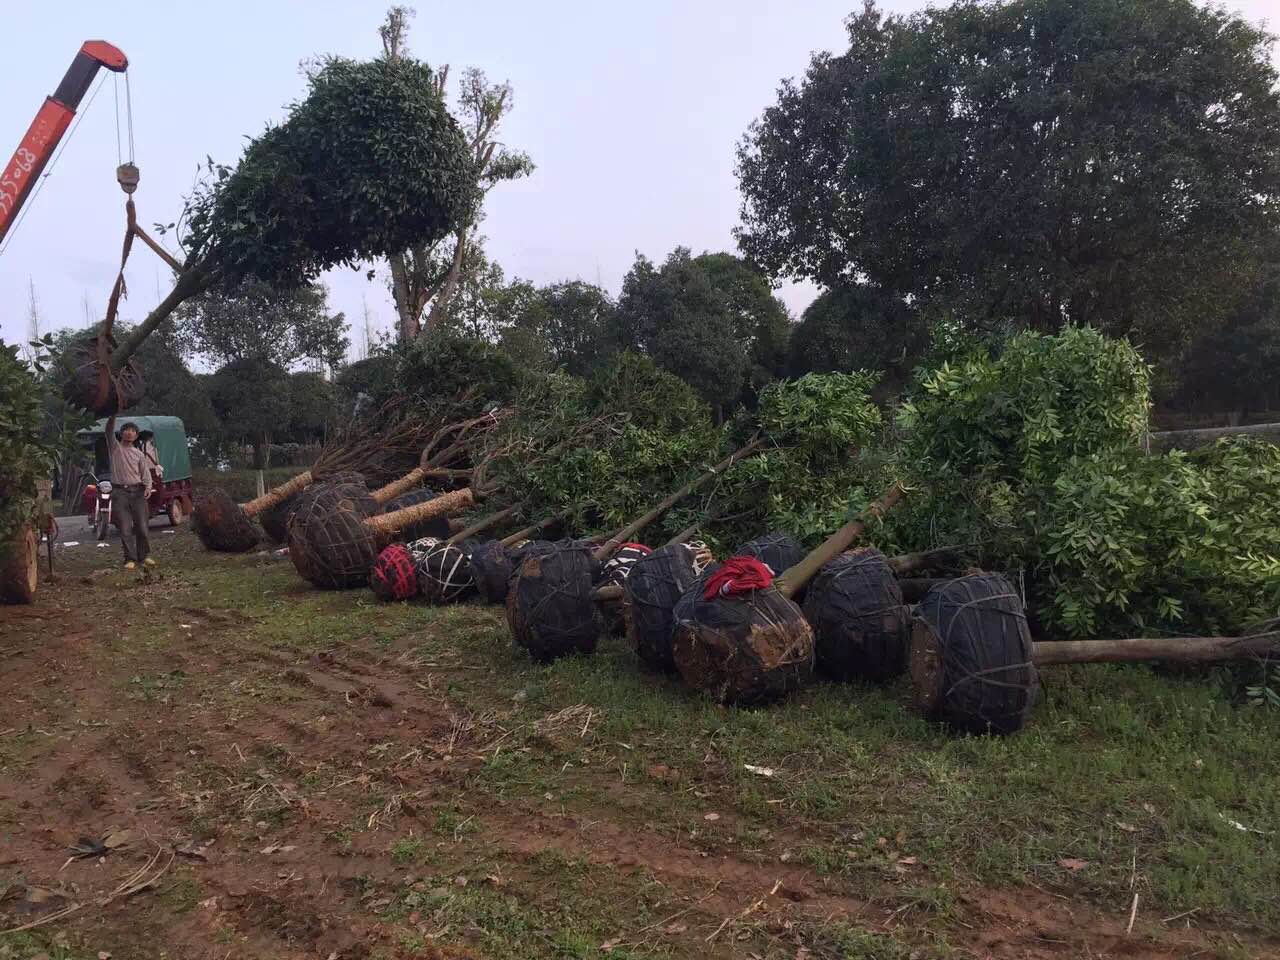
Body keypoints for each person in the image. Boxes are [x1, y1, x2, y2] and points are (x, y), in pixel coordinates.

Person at [105, 415, 154, 569]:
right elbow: (108, 431)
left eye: (133, 431)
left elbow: (145, 473)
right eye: (126, 430)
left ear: (136, 435)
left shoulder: (139, 454)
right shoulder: (115, 448)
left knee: (142, 527)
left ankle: (144, 556)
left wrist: (147, 487)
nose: (129, 433)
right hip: (119, 492)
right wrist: (113, 415)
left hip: (138, 492)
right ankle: (130, 559)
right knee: (125, 528)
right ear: (121, 433)